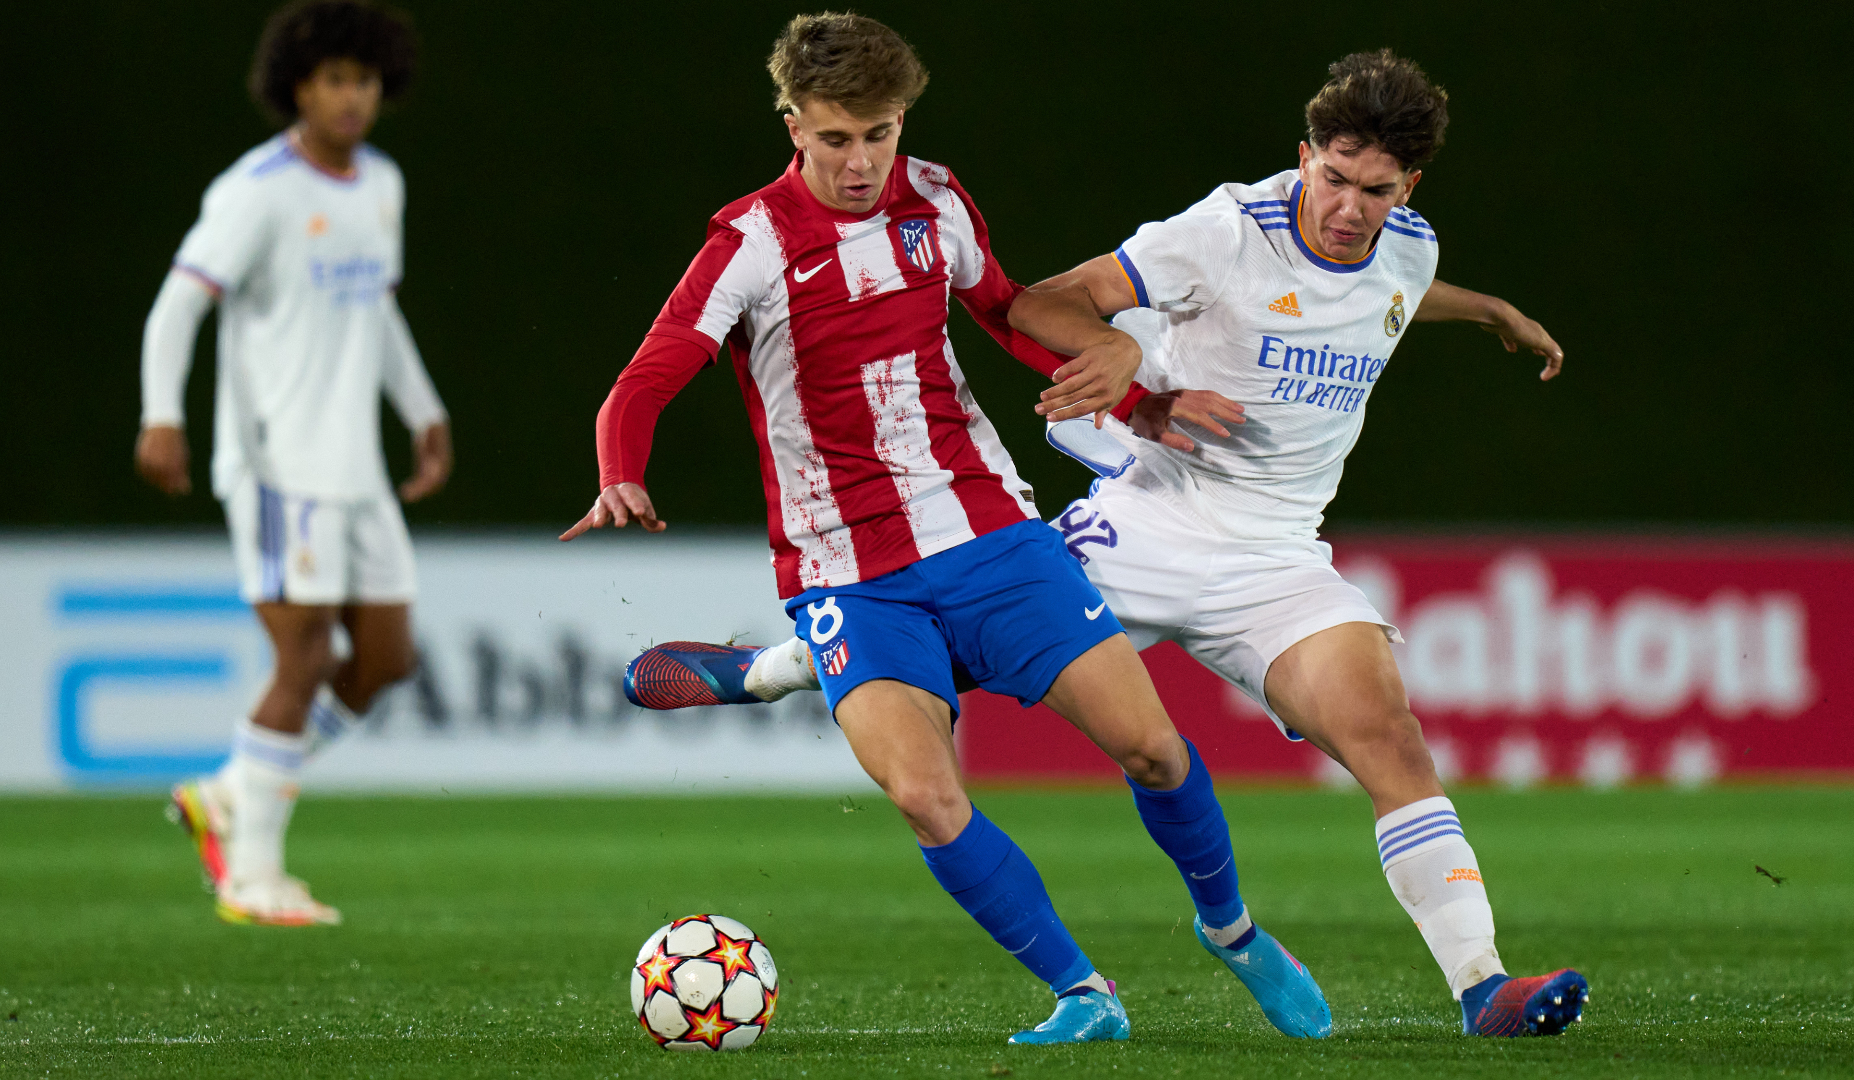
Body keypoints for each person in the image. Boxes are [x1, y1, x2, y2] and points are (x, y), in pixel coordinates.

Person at [631, 50, 1590, 1038]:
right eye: (1332, 178)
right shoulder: (1223, 233)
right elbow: (1047, 298)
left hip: (1277, 561)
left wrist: (1489, 312)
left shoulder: (1409, 249)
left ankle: (1484, 989)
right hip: (1145, 521)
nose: (1347, 206)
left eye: (1374, 191)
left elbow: (1382, 297)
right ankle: (780, 666)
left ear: (1408, 190)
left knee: (1388, 738)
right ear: (1304, 155)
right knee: (929, 641)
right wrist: (1129, 353)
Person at [565, 12, 1331, 1046]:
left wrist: (1139, 403)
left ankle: (1234, 933)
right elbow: (645, 379)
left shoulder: (936, 199)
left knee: (1153, 749)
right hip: (849, 570)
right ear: (793, 125)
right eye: (835, 138)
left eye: (878, 134)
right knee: (928, 797)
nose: (859, 161)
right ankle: (1083, 995)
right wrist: (621, 473)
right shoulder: (746, 243)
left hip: (989, 534)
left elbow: (1006, 310)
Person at [137, 0, 450, 927]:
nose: (349, 97)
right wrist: (162, 417)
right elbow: (176, 306)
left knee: (387, 660)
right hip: (278, 464)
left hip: (355, 469)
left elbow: (376, 310)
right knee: (306, 653)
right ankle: (252, 876)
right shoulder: (257, 191)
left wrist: (422, 409)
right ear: (296, 88)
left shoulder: (381, 184)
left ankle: (234, 786)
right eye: (330, 80)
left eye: (362, 79)